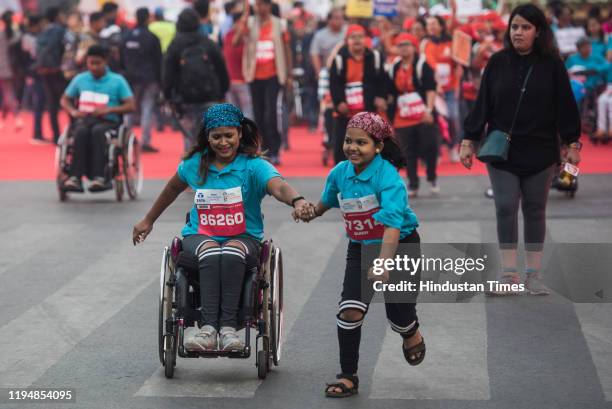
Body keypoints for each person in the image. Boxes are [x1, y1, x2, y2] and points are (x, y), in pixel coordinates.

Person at [132, 103, 311, 351]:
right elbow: (172, 189)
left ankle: (227, 329)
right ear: (207, 138)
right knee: (212, 251)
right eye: (216, 137)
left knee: (230, 252)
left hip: (243, 237)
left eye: (229, 136)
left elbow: (278, 186)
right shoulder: (194, 165)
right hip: (200, 235)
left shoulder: (253, 166)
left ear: (239, 134)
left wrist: (297, 200)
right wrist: (148, 220)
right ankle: (208, 330)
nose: (223, 142)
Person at [294, 112, 424, 398]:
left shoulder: (388, 177)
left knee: (399, 318)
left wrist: (384, 262)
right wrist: (308, 212)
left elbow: (392, 226)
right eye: (348, 141)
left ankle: (410, 331)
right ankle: (348, 376)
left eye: (361, 143)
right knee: (350, 310)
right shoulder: (340, 172)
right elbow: (325, 203)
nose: (352, 147)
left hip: (400, 245)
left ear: (378, 146)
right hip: (361, 247)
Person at [460, 4, 581, 295]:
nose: (518, 32)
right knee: (505, 207)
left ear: (538, 32)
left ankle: (534, 275)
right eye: (514, 26)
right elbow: (482, 105)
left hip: (541, 151)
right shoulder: (497, 62)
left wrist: (572, 143)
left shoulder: (552, 64)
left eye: (525, 27)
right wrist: (469, 140)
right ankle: (510, 274)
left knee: (535, 209)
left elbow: (566, 106)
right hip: (503, 151)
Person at [60, 45, 135, 193]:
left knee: (98, 132)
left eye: (97, 63)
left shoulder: (117, 80)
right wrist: (73, 111)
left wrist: (109, 109)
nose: (93, 67)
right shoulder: (80, 79)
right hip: (84, 119)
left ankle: (100, 177)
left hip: (109, 121)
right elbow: (65, 99)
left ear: (106, 61)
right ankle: (75, 177)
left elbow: (131, 105)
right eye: (90, 63)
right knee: (80, 132)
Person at [163, 8, 229, 151]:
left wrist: (169, 96)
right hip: (209, 96)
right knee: (211, 135)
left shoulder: (175, 46)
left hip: (184, 99)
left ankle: (192, 168)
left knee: (190, 138)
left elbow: (168, 74)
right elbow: (221, 69)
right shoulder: (208, 43)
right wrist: (222, 92)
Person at [241, 0, 292, 165]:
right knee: (258, 114)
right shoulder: (250, 22)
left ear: (269, 6)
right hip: (254, 76)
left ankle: (275, 150)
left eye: (263, 4)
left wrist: (289, 74)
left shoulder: (279, 24)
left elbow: (286, 48)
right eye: (257, 5)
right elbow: (237, 39)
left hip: (274, 76)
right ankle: (263, 148)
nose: (260, 8)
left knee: (272, 114)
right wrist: (245, 15)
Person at [388, 33, 439, 197]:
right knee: (407, 152)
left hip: (422, 114)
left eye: (406, 45)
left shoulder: (422, 65)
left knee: (430, 147)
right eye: (400, 45)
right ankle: (413, 183)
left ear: (414, 47)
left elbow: (431, 89)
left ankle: (431, 176)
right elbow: (390, 90)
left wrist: (429, 111)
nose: (403, 48)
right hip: (402, 116)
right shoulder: (394, 66)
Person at [329, 24, 387, 164]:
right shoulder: (339, 60)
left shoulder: (375, 57)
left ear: (365, 39)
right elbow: (334, 84)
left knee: (370, 149)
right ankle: (342, 181)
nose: (357, 40)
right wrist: (339, 102)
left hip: (368, 112)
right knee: (342, 149)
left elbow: (383, 80)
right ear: (347, 40)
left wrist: (381, 96)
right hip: (345, 114)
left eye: (360, 37)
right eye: (353, 37)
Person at [122, 7, 163, 153]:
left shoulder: (127, 36)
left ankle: (124, 140)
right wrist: (161, 81)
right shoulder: (151, 37)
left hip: (130, 79)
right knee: (147, 109)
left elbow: (121, 58)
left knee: (129, 110)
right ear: (147, 18)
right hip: (149, 79)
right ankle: (145, 142)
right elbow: (159, 60)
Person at [423, 15, 462, 162]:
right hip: (434, 90)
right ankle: (437, 152)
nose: (431, 27)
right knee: (436, 121)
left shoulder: (451, 43)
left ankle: (453, 147)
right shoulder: (426, 44)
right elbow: (430, 65)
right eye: (428, 25)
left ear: (441, 26)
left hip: (450, 89)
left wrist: (457, 83)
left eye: (434, 24)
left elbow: (458, 64)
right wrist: (436, 84)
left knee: (454, 118)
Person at [36, 6, 66, 143]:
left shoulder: (43, 31)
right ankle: (71, 133)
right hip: (58, 71)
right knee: (67, 101)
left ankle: (56, 136)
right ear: (57, 16)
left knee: (52, 104)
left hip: (44, 71)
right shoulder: (60, 30)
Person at [222, 0, 253, 119]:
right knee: (247, 113)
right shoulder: (239, 38)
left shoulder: (228, 36)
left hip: (233, 81)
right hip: (240, 81)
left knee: (236, 115)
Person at [0, 10, 24, 131]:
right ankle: (14, 117)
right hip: (11, 68)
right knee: (8, 94)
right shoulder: (15, 34)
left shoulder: (3, 34)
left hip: (6, 69)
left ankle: (15, 118)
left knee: (7, 95)